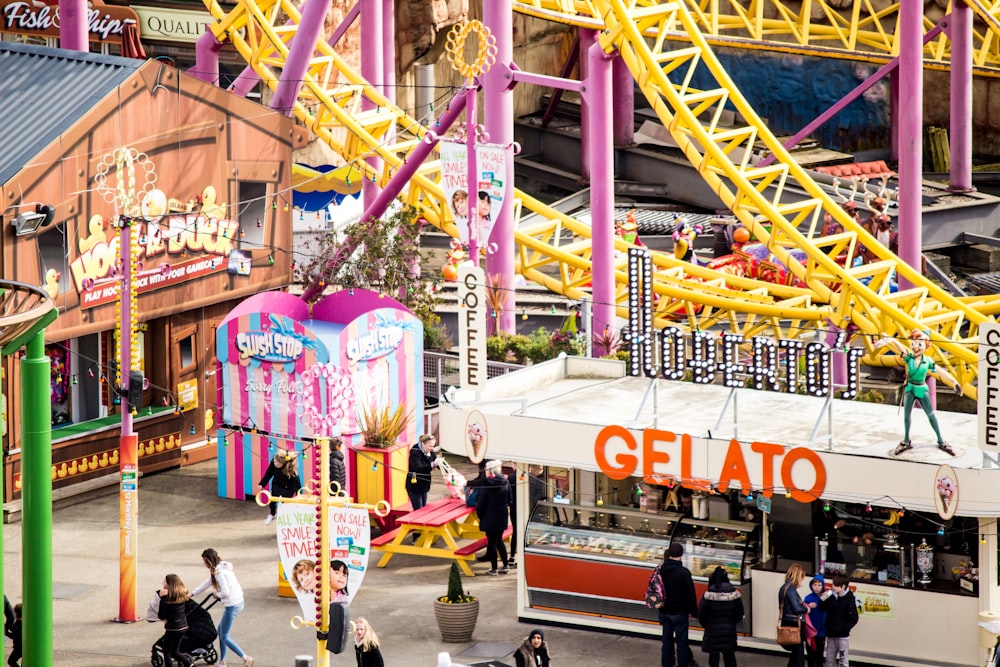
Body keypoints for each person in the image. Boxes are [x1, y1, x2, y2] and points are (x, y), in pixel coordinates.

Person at [877, 329, 963, 456]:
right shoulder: (909, 358)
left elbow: (940, 372)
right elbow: (900, 347)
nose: (916, 347)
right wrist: (890, 339)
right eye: (914, 343)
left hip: (921, 389)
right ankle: (906, 440)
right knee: (907, 416)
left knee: (931, 415)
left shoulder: (928, 361)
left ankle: (941, 440)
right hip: (910, 389)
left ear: (926, 346)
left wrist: (954, 383)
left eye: (920, 344)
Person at [191, 548, 253, 667]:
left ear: (208, 561)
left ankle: (245, 657)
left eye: (204, 561)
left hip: (232, 605)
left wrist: (216, 595)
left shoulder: (219, 573)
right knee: (221, 631)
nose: (203, 564)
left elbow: (225, 592)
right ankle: (222, 661)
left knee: (224, 635)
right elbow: (208, 582)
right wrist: (192, 593)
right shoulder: (222, 568)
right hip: (238, 601)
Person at [466, 459, 511, 575]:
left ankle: (494, 568)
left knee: (491, 543)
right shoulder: (506, 482)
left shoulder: (486, 485)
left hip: (489, 517)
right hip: (501, 516)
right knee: (499, 541)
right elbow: (510, 499)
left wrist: (481, 515)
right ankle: (505, 565)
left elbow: (480, 503)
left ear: (490, 471)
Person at [658, 541, 698, 667]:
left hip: (665, 611)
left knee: (666, 641)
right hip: (680, 613)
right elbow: (690, 595)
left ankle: (667, 664)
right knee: (682, 643)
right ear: (681, 555)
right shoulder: (683, 572)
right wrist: (693, 612)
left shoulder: (661, 570)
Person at [697, 566, 743, 667]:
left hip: (712, 630)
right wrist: (731, 623)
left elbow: (701, 614)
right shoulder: (734, 594)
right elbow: (739, 614)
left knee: (713, 657)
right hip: (729, 630)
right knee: (729, 656)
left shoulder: (708, 595)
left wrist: (707, 625)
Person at [820, 574, 858, 667]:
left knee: (842, 659)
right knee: (829, 659)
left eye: (835, 586)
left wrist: (845, 628)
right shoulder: (831, 596)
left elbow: (854, 618)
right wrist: (822, 599)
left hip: (842, 636)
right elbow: (822, 609)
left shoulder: (849, 599)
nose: (833, 587)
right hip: (831, 633)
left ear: (843, 587)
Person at [257, 448, 302, 525]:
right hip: (277, 485)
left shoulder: (290, 468)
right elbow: (268, 473)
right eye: (275, 463)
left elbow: (297, 483)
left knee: (284, 504)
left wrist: (299, 495)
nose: (276, 465)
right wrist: (262, 483)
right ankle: (272, 514)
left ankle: (282, 516)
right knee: (272, 501)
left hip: (288, 488)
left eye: (278, 464)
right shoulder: (274, 461)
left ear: (283, 464)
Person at [158, 574, 194, 667]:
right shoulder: (181, 595)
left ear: (169, 584)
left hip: (172, 628)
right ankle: (190, 665)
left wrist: (162, 598)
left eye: (164, 581)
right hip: (183, 626)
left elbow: (161, 615)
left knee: (167, 651)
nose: (162, 583)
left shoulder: (166, 598)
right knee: (175, 652)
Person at [778, 563, 809, 667]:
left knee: (795, 656)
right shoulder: (791, 589)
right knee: (798, 657)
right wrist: (807, 609)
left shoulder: (784, 587)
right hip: (793, 625)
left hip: (787, 622)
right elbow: (796, 609)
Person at [407, 434, 440, 511]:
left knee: (424, 509)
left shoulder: (430, 451)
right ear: (423, 443)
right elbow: (418, 468)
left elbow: (435, 460)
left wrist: (446, 468)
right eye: (430, 446)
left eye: (433, 446)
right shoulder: (415, 452)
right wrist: (432, 465)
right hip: (414, 485)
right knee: (419, 510)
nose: (432, 448)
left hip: (425, 484)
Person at [803, 574, 828, 667]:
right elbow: (803, 612)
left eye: (819, 585)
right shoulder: (808, 598)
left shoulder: (826, 597)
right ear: (811, 586)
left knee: (819, 655)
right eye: (815, 585)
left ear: (823, 586)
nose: (817, 587)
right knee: (810, 655)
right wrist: (808, 606)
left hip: (822, 631)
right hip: (810, 632)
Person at [5, 602, 20, 667]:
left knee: (11, 661)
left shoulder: (20, 623)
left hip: (19, 647)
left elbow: (16, 635)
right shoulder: (21, 622)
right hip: (21, 647)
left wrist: (6, 633)